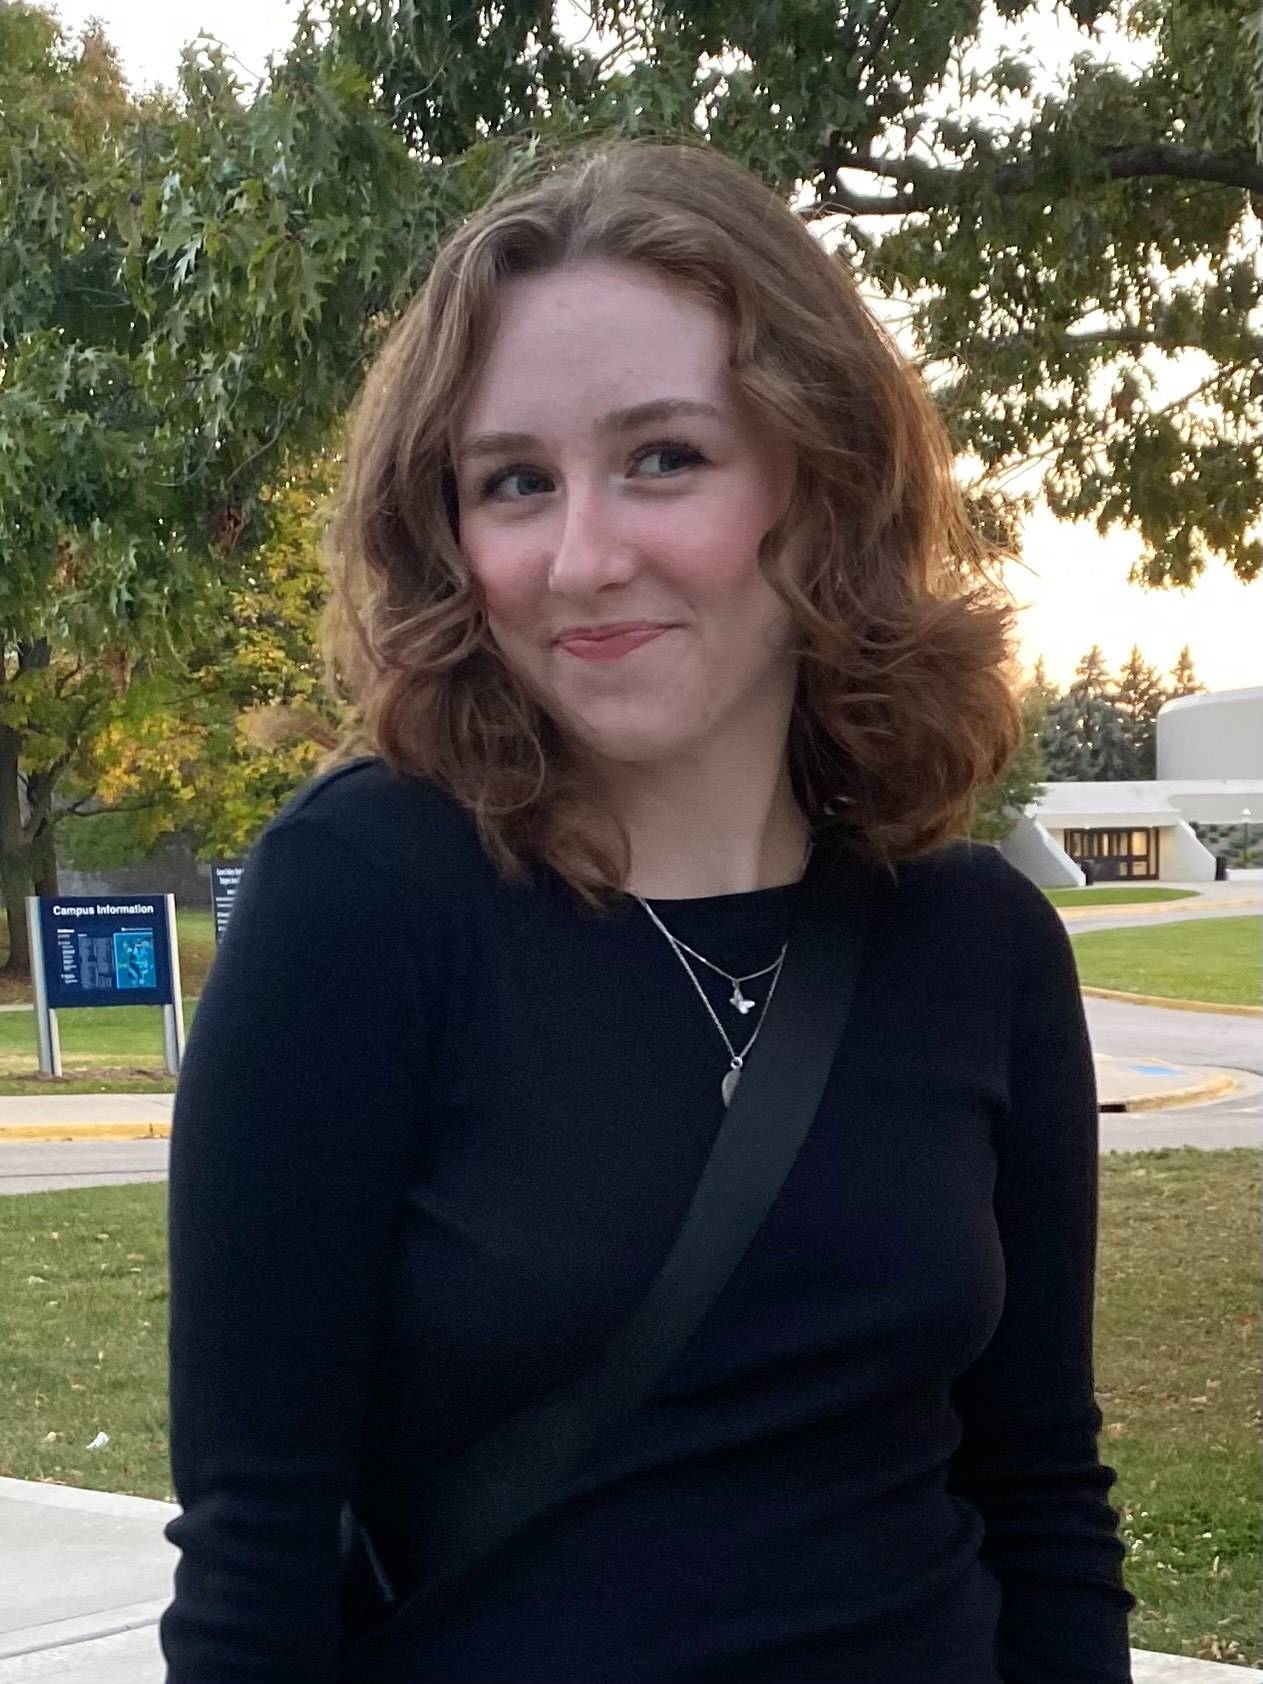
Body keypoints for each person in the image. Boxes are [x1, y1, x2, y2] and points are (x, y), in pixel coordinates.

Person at [160, 139, 1136, 1683]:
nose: (582, 558)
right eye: (515, 484)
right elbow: (256, 1551)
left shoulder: (977, 945)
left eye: (664, 457)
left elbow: (1042, 1501)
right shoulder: (359, 902)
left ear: (817, 476)